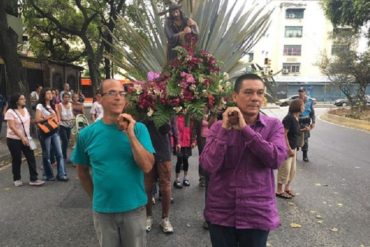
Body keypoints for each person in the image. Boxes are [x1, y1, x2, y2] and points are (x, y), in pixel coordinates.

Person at [200, 73, 287, 247]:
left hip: (257, 212)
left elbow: (275, 159)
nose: (255, 98)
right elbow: (208, 165)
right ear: (234, 96)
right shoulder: (218, 127)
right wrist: (225, 130)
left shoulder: (273, 126)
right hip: (221, 213)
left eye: (260, 93)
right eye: (248, 92)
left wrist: (245, 130)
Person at [71, 79, 155, 247]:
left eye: (122, 93)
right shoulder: (87, 134)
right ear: (99, 98)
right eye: (112, 93)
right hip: (103, 211)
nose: (118, 97)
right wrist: (96, 198)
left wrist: (130, 134)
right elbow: (82, 172)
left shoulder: (139, 129)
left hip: (134, 208)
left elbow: (147, 166)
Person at [4, 94, 45, 187]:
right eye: (22, 99)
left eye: (24, 98)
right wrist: (22, 137)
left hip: (27, 138)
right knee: (17, 159)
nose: (24, 100)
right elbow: (12, 126)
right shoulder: (10, 112)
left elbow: (28, 121)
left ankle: (34, 179)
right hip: (14, 139)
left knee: (31, 157)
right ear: (16, 101)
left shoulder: (25, 109)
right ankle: (17, 178)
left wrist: (40, 122)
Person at [144, 120, 174, 233]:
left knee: (165, 186)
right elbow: (139, 125)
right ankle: (148, 217)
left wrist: (159, 114)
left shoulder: (166, 105)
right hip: (146, 149)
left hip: (163, 150)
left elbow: (166, 129)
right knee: (147, 186)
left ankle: (165, 219)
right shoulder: (141, 105)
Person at [35, 88, 68, 181]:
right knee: (47, 155)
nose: (50, 95)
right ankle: (48, 174)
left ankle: (61, 174)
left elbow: (57, 118)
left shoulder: (53, 105)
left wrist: (57, 121)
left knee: (59, 154)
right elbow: (37, 119)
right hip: (45, 133)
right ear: (43, 95)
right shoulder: (40, 106)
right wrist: (48, 117)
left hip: (55, 131)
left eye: (51, 93)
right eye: (48, 93)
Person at [276, 99, 305, 199]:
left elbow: (295, 131)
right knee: (285, 169)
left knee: (292, 170)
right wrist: (288, 148)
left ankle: (287, 188)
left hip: (294, 148)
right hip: (287, 149)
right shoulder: (288, 118)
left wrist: (304, 129)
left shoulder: (296, 118)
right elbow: (284, 134)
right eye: (302, 105)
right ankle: (279, 190)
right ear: (297, 106)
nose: (303, 107)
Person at [173, 114, 196, 189]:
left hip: (187, 142)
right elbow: (175, 131)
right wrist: (177, 142)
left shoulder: (190, 118)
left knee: (186, 160)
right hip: (179, 143)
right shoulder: (176, 118)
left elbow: (193, 131)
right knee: (179, 160)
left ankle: (185, 178)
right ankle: (177, 179)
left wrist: (193, 141)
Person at [298, 87, 315, 162]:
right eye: (299, 92)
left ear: (305, 92)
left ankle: (305, 155)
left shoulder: (310, 101)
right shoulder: (296, 101)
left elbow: (312, 113)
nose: (301, 93)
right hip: (297, 122)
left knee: (305, 140)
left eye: (302, 91)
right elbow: (291, 111)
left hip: (306, 122)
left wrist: (313, 122)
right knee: (295, 138)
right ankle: (294, 151)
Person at [57, 93, 75, 163]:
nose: (66, 99)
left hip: (69, 125)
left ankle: (63, 155)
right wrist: (62, 120)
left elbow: (72, 114)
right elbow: (59, 116)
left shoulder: (70, 104)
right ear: (62, 98)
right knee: (65, 141)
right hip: (62, 125)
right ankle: (63, 156)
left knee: (67, 141)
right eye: (65, 97)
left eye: (68, 97)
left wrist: (73, 119)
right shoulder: (60, 105)